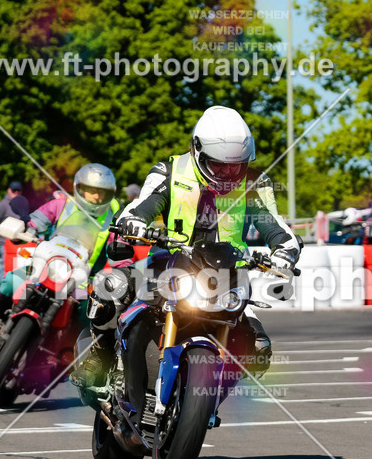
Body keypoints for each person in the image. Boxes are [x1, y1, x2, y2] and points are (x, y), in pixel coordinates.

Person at [79, 105, 301, 386]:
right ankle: (100, 356)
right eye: (219, 164)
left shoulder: (254, 183)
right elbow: (141, 206)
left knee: (258, 348)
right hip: (168, 260)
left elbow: (275, 226)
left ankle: (209, 397)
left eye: (236, 165)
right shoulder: (169, 172)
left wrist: (284, 253)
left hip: (227, 275)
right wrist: (133, 222)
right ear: (197, 150)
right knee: (107, 289)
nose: (228, 173)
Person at [0, 164, 121, 320]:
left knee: (87, 315)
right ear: (79, 188)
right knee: (11, 281)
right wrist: (22, 229)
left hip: (84, 282)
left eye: (101, 193)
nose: (97, 197)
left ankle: (72, 344)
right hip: (46, 268)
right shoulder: (62, 204)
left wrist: (120, 269)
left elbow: (120, 253)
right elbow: (35, 222)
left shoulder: (114, 220)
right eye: (92, 191)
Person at [0, 180, 31, 256]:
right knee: (7, 267)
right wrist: (0, 235)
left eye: (18, 190)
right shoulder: (2, 204)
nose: (16, 192)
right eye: (14, 190)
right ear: (8, 190)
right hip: (5, 243)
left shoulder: (24, 203)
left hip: (22, 242)